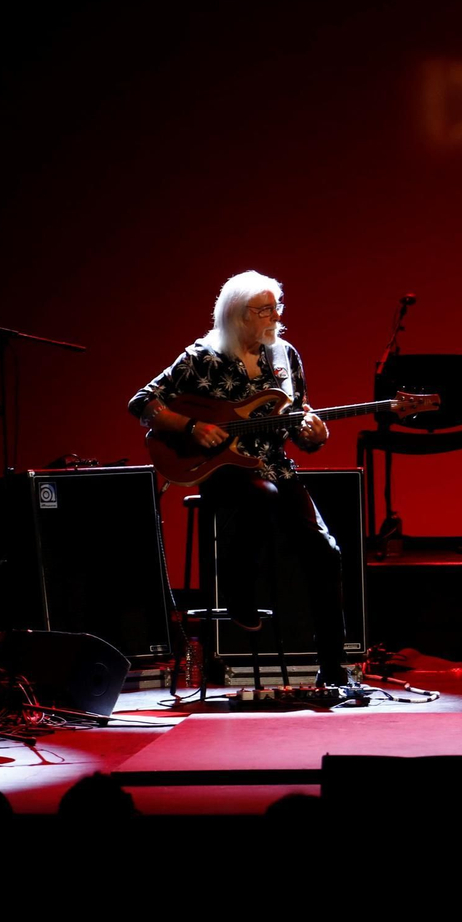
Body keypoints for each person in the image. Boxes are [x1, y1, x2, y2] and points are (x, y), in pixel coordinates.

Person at [128, 270, 348, 685]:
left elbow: (297, 416)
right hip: (222, 470)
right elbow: (143, 403)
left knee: (325, 551)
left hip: (276, 466)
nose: (275, 316)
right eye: (264, 309)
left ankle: (334, 670)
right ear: (237, 314)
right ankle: (235, 583)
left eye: (276, 307)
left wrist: (314, 433)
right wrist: (191, 427)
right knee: (259, 495)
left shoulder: (285, 355)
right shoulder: (203, 357)